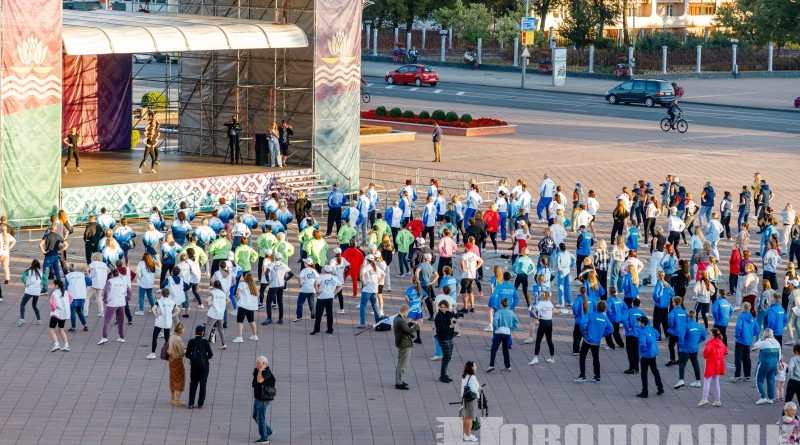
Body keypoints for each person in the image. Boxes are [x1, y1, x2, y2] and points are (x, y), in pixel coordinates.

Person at [574, 299, 612, 383]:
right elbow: (611, 329)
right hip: (596, 341)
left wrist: (584, 332)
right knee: (596, 358)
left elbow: (583, 323)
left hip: (587, 339)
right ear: (604, 308)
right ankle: (597, 376)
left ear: (596, 307)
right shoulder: (605, 318)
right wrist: (602, 334)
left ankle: (582, 375)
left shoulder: (590, 314)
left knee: (583, 356)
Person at [674, 310, 707, 389]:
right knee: (695, 363)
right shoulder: (698, 326)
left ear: (688, 316)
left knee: (682, 364)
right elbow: (704, 335)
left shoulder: (685, 325)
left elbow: (681, 337)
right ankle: (698, 381)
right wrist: (697, 342)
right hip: (694, 348)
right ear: (695, 316)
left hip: (685, 348)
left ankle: (681, 380)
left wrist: (681, 345)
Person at [98, 268, 130, 345]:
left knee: (107, 320)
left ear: (112, 275)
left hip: (112, 303)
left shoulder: (110, 281)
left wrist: (105, 300)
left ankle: (104, 337)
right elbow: (129, 293)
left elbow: (106, 291)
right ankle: (122, 337)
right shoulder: (124, 281)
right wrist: (126, 300)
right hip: (121, 303)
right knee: (121, 320)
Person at [486, 297, 519, 372]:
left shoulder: (499, 312)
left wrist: (496, 327)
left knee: (494, 349)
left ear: (501, 304)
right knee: (505, 349)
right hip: (507, 332)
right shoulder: (511, 312)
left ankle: (491, 365)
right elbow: (516, 321)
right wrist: (512, 329)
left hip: (499, 331)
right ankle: (508, 366)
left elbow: (495, 321)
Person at [698, 327, 728, 407]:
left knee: (707, 381)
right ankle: (717, 400)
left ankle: (705, 398)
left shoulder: (710, 343)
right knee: (716, 381)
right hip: (718, 364)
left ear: (712, 334)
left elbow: (706, 353)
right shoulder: (721, 343)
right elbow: (725, 351)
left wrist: (704, 352)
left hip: (710, 363)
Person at [186, 324, 213, 409]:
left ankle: (190, 403)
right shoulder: (205, 342)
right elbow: (211, 354)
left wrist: (193, 359)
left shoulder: (191, 341)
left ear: (195, 332)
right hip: (204, 366)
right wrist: (205, 358)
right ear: (202, 333)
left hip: (194, 366)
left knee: (193, 384)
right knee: (203, 385)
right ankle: (200, 403)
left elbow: (187, 354)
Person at [637, 316, 664, 398]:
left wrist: (642, 351)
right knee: (654, 370)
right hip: (653, 353)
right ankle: (660, 387)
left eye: (639, 322)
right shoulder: (651, 329)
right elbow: (657, 335)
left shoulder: (642, 332)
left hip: (646, 355)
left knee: (644, 373)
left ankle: (645, 391)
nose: (638, 323)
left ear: (642, 323)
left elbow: (642, 344)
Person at [311, 264, 343, 335]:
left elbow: (315, 283)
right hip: (330, 297)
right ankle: (330, 329)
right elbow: (340, 285)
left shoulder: (322, 276)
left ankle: (317, 329)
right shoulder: (334, 278)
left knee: (319, 314)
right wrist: (334, 293)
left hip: (322, 297)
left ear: (325, 270)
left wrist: (317, 291)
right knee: (329, 314)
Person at [148, 289, 179, 359]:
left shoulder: (159, 301)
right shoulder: (172, 302)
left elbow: (153, 309)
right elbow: (178, 310)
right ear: (169, 294)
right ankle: (169, 353)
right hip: (168, 322)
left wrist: (156, 315)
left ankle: (153, 353)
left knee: (155, 337)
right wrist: (172, 315)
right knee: (167, 338)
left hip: (159, 321)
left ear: (162, 294)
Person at [394, 304, 420, 390]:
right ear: (405, 311)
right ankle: (399, 382)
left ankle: (399, 380)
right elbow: (409, 331)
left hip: (401, 343)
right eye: (407, 312)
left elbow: (404, 328)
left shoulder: (397, 318)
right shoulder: (401, 321)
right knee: (403, 364)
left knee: (401, 362)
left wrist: (409, 323)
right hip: (404, 344)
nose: (407, 314)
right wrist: (417, 326)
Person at [733, 302, 759, 382]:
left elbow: (738, 327)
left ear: (743, 308)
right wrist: (751, 334)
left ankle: (737, 375)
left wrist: (737, 335)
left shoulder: (741, 316)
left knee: (738, 358)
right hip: (748, 341)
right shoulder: (752, 317)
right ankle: (747, 375)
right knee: (747, 358)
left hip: (740, 340)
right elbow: (757, 329)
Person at [252, 356, 276, 443]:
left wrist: (259, 371)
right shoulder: (258, 370)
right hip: (258, 397)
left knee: (260, 418)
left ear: (263, 364)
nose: (256, 364)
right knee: (255, 416)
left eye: (258, 363)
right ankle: (268, 430)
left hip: (263, 398)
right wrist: (258, 370)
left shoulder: (266, 372)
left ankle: (264, 437)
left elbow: (259, 380)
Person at [433, 300, 457, 382]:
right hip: (443, 338)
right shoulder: (438, 316)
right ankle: (442, 375)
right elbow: (441, 328)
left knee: (448, 357)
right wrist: (450, 326)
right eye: (441, 307)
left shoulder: (447, 313)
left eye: (444, 307)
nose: (443, 309)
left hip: (449, 337)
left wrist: (455, 313)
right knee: (446, 357)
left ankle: (444, 374)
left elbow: (454, 318)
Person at [233, 273, 259, 342]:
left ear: (245, 278)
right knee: (251, 320)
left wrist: (237, 297)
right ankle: (254, 335)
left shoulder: (242, 284)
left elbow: (237, 293)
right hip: (251, 306)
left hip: (243, 305)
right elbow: (257, 294)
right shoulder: (254, 286)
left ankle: (239, 337)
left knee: (240, 321)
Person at [47, 279, 72, 352]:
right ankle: (66, 345)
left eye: (53, 284)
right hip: (64, 313)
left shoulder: (54, 293)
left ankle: (56, 344)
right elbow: (71, 299)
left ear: (56, 285)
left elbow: (53, 304)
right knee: (61, 330)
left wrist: (52, 310)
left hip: (56, 313)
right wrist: (66, 305)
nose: (53, 285)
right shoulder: (65, 292)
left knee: (51, 330)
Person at [623, 298, 646, 374]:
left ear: (632, 303)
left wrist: (628, 328)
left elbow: (624, 320)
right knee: (636, 351)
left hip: (630, 334)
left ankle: (632, 367)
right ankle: (636, 367)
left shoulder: (629, 311)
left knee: (630, 351)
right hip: (638, 334)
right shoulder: (641, 312)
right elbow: (645, 322)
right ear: (639, 304)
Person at [461, 361, 481, 442]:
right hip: (471, 400)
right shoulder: (472, 377)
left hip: (465, 398)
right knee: (470, 417)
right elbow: (473, 389)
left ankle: (466, 433)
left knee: (466, 417)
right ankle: (468, 435)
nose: (476, 367)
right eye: (475, 366)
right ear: (471, 368)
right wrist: (478, 390)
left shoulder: (465, 376)